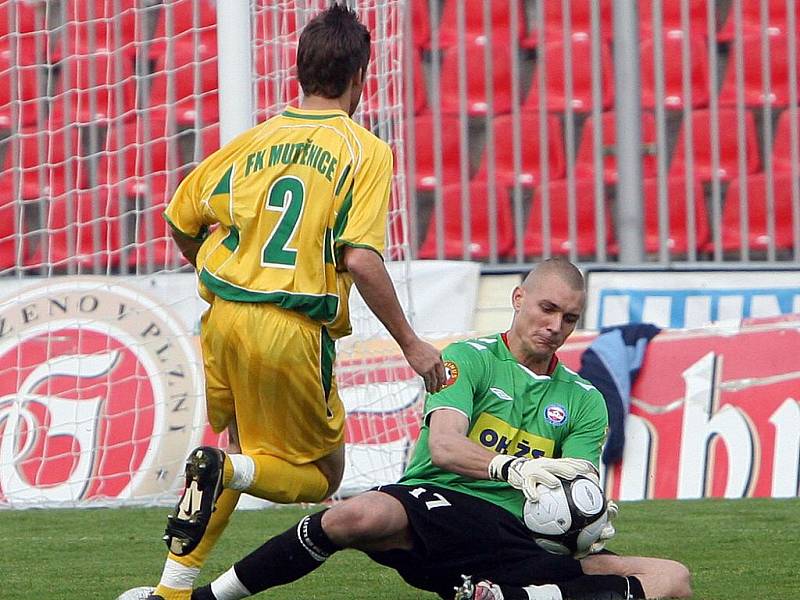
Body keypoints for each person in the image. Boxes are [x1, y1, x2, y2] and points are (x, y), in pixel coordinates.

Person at [148, 5, 445, 599]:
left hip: (224, 319)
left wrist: (213, 264)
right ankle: (225, 475)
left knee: (244, 448)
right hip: (292, 327)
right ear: (361, 76)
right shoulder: (364, 150)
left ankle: (173, 591)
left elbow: (180, 219)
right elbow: (361, 258)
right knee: (319, 477)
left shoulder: (249, 143)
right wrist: (411, 343)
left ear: (297, 71)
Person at [185, 258, 693, 600]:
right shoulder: (467, 359)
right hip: (439, 506)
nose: (556, 325)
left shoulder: (583, 399)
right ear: (518, 298)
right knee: (352, 516)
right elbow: (447, 447)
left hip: (521, 539)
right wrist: (516, 469)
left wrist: (584, 513)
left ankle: (504, 596)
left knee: (672, 579)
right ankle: (208, 597)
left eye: (569, 317)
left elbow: (579, 483)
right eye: (547, 308)